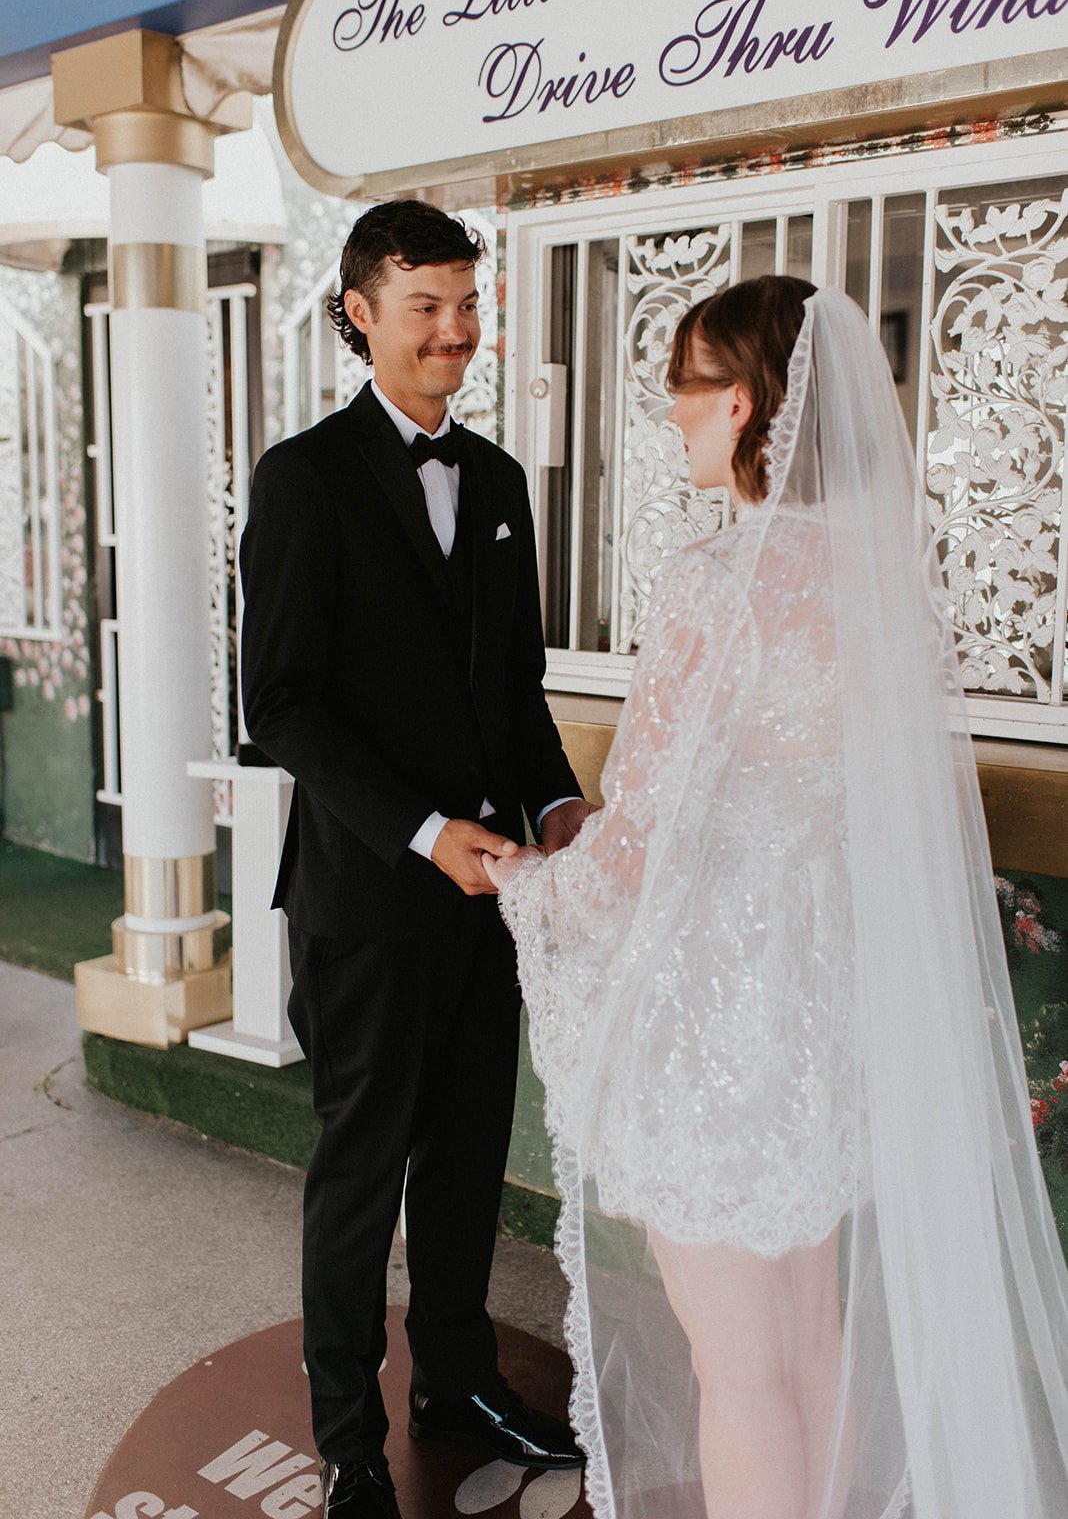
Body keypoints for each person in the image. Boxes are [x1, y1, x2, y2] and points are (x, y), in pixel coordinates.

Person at [485, 277, 1068, 1519]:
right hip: (823, 1022)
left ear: (742, 402)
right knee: (810, 1343)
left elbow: (638, 843)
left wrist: (530, 882)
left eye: (682, 391)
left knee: (736, 1365)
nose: (670, 417)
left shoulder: (715, 584)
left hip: (716, 1032)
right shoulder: (884, 589)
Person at [240, 198, 592, 1519]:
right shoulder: (303, 479)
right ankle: (347, 1442)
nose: (455, 332)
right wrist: (425, 831)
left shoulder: (498, 484)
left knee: (460, 1157)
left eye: (466, 303)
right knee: (360, 1172)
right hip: (367, 897)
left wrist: (556, 807)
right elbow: (278, 707)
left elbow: (516, 695)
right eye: (425, 306)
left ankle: (455, 1382)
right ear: (360, 314)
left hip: (491, 900)